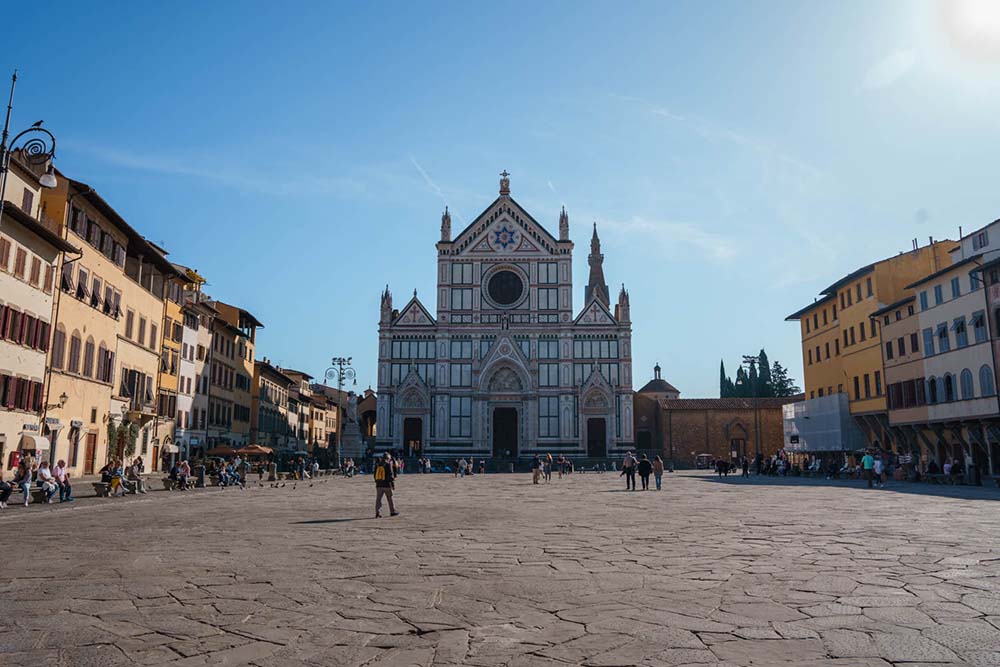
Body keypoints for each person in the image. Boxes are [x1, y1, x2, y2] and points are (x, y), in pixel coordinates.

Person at [374, 452, 398, 518]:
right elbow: (391, 475)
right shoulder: (388, 464)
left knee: (378, 499)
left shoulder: (378, 464)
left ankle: (377, 513)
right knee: (390, 498)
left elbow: (374, 475)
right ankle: (392, 511)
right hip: (387, 485)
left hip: (379, 485)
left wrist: (377, 482)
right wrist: (392, 485)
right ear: (388, 458)